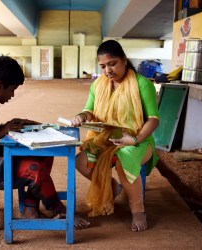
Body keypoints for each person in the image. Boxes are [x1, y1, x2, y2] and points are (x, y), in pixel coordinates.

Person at [0, 55, 90, 228]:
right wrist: (1, 132)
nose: (12, 94)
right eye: (11, 89)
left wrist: (10, 126)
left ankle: (31, 208)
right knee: (33, 169)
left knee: (44, 154)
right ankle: (60, 210)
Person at [71, 40, 159, 232]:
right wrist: (82, 116)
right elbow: (90, 110)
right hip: (106, 138)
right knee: (81, 161)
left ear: (124, 60)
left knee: (123, 159)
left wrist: (135, 139)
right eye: (103, 66)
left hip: (138, 139)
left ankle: (138, 211)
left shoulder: (142, 85)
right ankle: (113, 187)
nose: (107, 70)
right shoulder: (98, 85)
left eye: (112, 64)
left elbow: (153, 119)